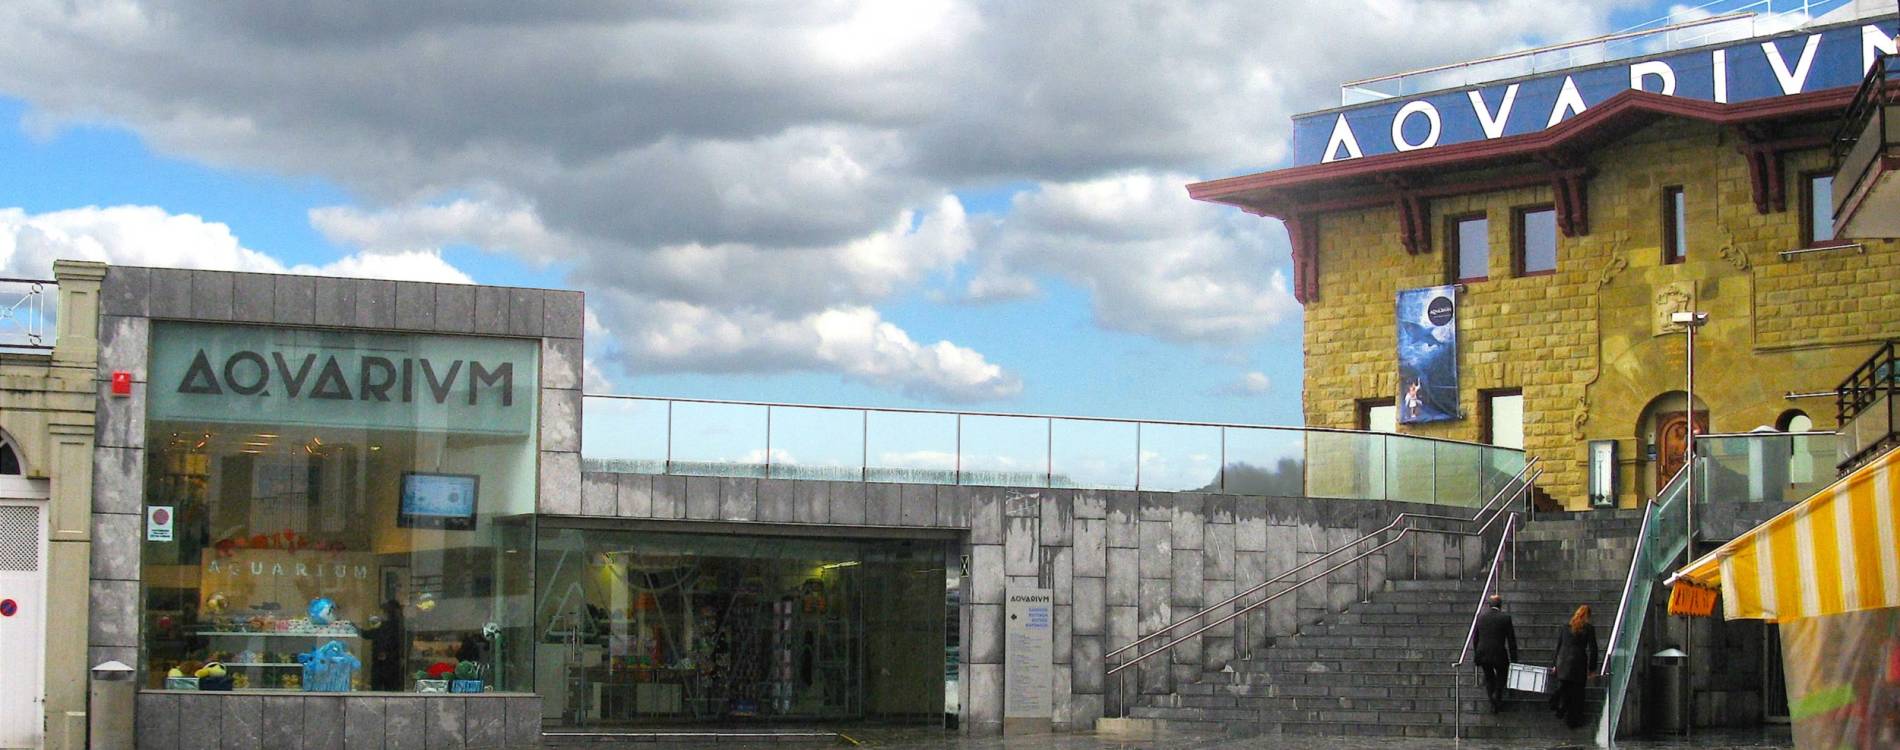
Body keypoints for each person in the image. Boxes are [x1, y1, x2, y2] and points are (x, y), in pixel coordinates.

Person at [1551, 604, 1601, 728]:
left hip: (1563, 662)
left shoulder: (1565, 627)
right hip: (1578, 663)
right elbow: (1593, 649)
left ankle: (1559, 704)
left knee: (1565, 687)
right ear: (1587, 616)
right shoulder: (1588, 629)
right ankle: (1573, 720)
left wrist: (1555, 664)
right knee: (1577, 692)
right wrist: (1592, 668)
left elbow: (1558, 646)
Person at [1471, 594, 1519, 712]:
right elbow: (1511, 640)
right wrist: (1514, 659)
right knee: (1503, 673)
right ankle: (1497, 693)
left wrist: (1476, 652)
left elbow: (1475, 638)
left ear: (1489, 605)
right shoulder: (1505, 618)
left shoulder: (1480, 617)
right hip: (1498, 653)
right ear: (1500, 605)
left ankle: (1493, 702)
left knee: (1488, 676)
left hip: (1483, 653)